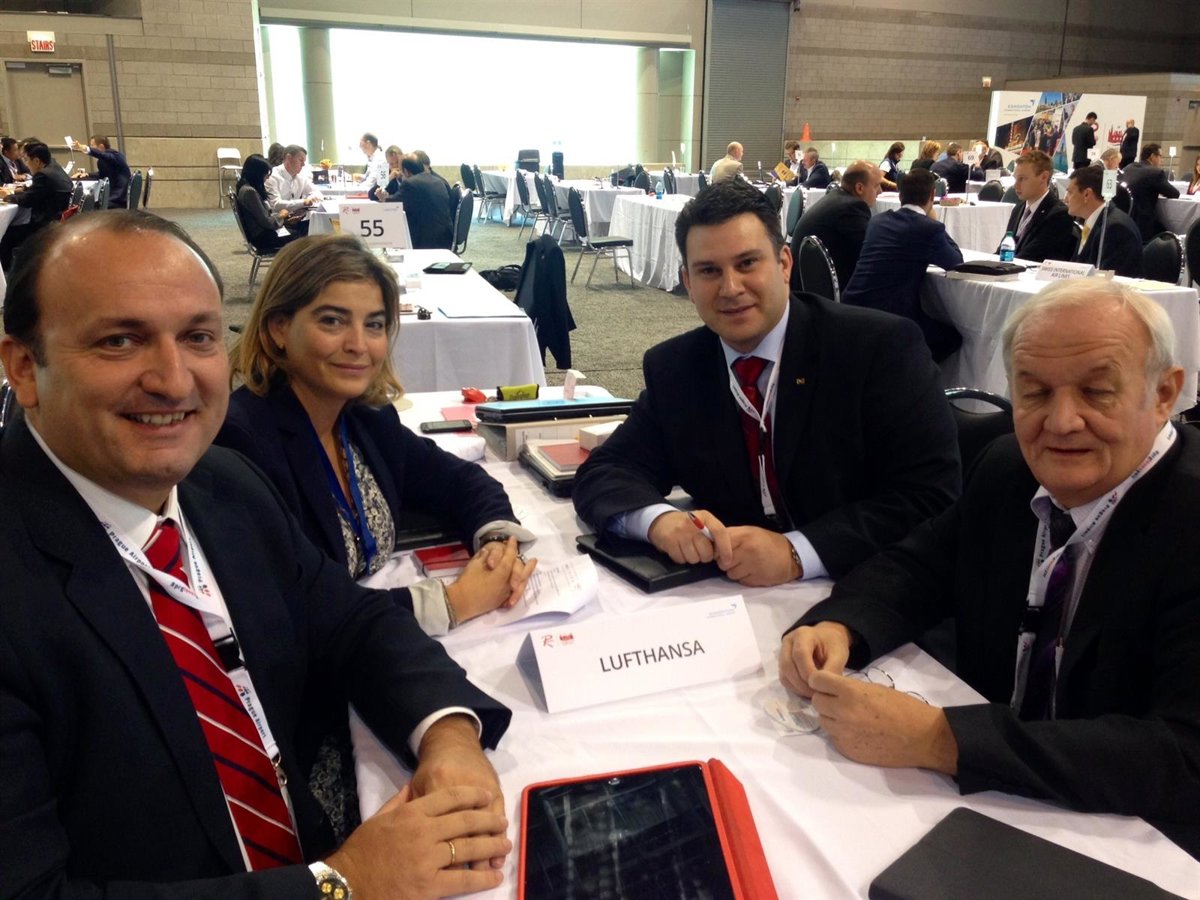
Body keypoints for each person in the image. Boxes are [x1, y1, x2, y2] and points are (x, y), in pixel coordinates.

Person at [0, 210, 515, 897]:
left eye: (198, 337)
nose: (174, 380)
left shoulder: (224, 486)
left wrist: (448, 734)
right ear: (24, 368)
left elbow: (352, 620)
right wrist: (344, 884)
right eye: (120, 340)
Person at [779, 278, 1200, 858]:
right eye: (1035, 392)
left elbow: (1183, 755)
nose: (1061, 421)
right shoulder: (1007, 467)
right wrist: (840, 625)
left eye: (1097, 392)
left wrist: (942, 739)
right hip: (990, 807)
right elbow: (920, 566)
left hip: (1137, 842)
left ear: (1164, 394)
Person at [572, 180, 960, 586]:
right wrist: (659, 521)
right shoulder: (677, 368)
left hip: (862, 587)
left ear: (785, 264)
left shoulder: (877, 349)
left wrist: (797, 553)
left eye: (747, 264)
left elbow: (931, 497)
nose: (730, 288)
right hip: (731, 597)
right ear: (688, 283)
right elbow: (606, 471)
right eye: (709, 271)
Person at [218, 233, 536, 636]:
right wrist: (452, 602)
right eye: (332, 321)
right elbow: (286, 609)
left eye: (374, 325)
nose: (358, 345)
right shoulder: (241, 443)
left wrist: (496, 544)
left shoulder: (365, 416)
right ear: (279, 328)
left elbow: (460, 479)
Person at [842, 168, 964, 362]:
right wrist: (934, 222)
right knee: (952, 339)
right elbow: (956, 262)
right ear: (932, 195)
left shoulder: (877, 221)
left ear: (900, 195)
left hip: (851, 307)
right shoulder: (929, 228)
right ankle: (910, 375)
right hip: (892, 316)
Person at [788, 160, 881, 291]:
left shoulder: (838, 198)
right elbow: (871, 250)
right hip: (817, 291)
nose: (880, 191)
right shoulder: (851, 208)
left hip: (801, 283)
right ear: (860, 188)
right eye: (877, 186)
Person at [0, 141, 73, 270]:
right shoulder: (54, 167)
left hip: (44, 225)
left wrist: (7, 196)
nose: (26, 164)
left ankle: (10, 275)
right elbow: (38, 191)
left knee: (5, 235)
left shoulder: (43, 175)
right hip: (58, 220)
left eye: (27, 160)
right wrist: (19, 191)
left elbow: (28, 200)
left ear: (37, 161)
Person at [1064, 165, 1142, 277]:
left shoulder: (1115, 228)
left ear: (1086, 194)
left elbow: (1109, 279)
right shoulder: (1093, 221)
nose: (1065, 199)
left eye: (1070, 192)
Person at [999, 149, 1076, 263]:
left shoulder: (1059, 215)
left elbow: (1034, 255)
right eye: (1016, 179)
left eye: (1022, 179)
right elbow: (1004, 248)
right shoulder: (1018, 209)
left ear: (1044, 177)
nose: (1015, 185)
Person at [376, 155, 455, 250]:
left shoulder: (411, 184)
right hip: (445, 236)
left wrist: (384, 198)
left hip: (427, 239)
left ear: (406, 171)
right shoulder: (437, 180)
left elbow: (394, 204)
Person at [235, 153, 300, 252]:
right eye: (266, 174)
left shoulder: (245, 188)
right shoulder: (250, 192)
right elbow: (267, 222)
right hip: (262, 238)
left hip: (260, 233)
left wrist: (284, 220)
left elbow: (263, 217)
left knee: (296, 228)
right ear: (257, 174)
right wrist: (281, 215)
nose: (268, 178)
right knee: (300, 236)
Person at [1123, 143, 1180, 240]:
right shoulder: (1155, 173)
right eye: (1160, 156)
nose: (1161, 160)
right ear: (1152, 156)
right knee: (1170, 234)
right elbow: (1174, 193)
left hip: (1125, 218)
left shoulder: (1128, 168)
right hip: (1143, 223)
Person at [265, 143, 322, 236]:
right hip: (278, 223)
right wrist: (303, 202)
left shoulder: (301, 177)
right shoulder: (273, 177)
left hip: (295, 220)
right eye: (301, 160)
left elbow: (317, 193)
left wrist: (309, 201)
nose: (303, 164)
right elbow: (276, 204)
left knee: (320, 227)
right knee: (314, 232)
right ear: (289, 158)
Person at [70, 134, 132, 208]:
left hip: (118, 198)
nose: (91, 147)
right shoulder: (101, 161)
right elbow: (102, 174)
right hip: (110, 196)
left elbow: (106, 156)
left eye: (92, 145)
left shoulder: (116, 156)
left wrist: (86, 148)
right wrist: (87, 174)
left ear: (101, 146)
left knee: (87, 206)